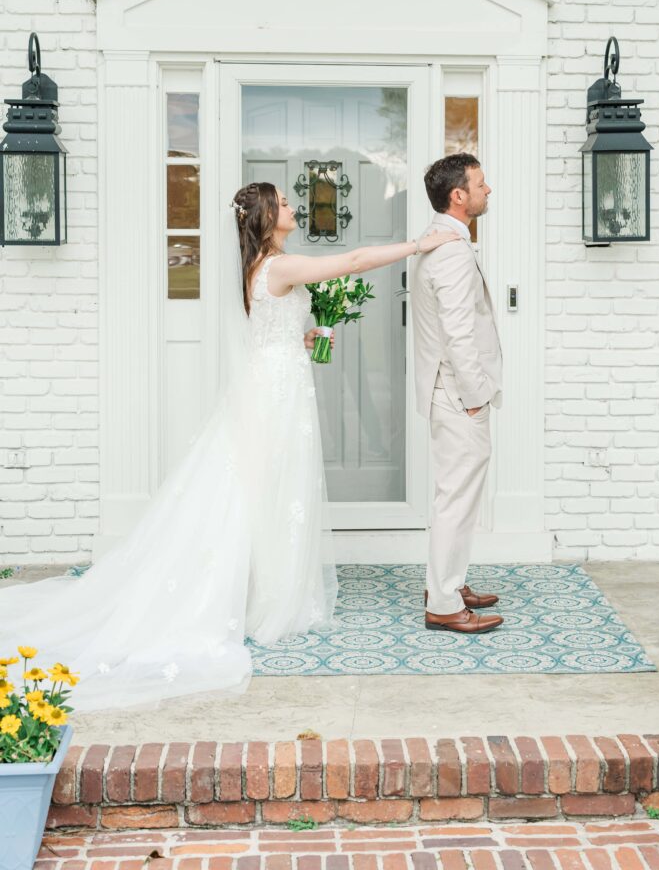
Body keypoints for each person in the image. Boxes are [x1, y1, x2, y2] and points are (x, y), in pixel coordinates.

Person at [0, 181, 458, 710]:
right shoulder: (279, 266)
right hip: (274, 394)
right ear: (266, 216)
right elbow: (353, 259)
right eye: (284, 203)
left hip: (274, 380)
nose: (293, 207)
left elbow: (274, 329)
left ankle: (256, 587)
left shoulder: (261, 268)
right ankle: (256, 597)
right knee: (258, 489)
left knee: (260, 487)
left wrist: (305, 337)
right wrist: (417, 246)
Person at [410, 154, 504, 634]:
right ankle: (444, 604)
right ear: (458, 196)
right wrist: (473, 394)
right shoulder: (449, 250)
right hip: (456, 390)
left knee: (461, 494)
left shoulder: (447, 239)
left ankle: (449, 583)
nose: (489, 190)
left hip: (451, 387)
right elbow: (458, 332)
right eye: (481, 184)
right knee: (456, 496)